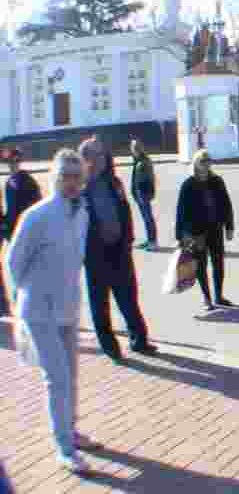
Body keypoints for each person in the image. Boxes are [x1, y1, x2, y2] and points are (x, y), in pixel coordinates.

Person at [7, 149, 102, 473]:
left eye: (78, 177)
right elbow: (13, 263)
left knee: (71, 375)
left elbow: (74, 262)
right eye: (67, 177)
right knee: (57, 378)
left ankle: (71, 431)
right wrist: (22, 303)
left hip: (67, 307)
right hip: (38, 310)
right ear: (55, 178)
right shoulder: (38, 215)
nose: (73, 184)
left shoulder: (83, 213)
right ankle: (64, 448)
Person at [79, 137, 157, 361]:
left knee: (128, 298)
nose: (100, 159)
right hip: (96, 256)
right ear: (85, 159)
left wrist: (128, 240)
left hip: (119, 251)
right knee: (100, 304)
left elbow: (125, 212)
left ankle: (139, 340)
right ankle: (110, 348)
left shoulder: (114, 182)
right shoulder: (80, 189)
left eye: (102, 155)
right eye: (95, 155)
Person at [175, 149, 235, 311]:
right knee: (201, 265)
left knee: (218, 263)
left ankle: (219, 296)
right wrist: (180, 236)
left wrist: (229, 226)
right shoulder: (188, 184)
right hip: (197, 232)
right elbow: (181, 211)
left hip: (215, 228)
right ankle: (207, 298)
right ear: (195, 163)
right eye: (202, 160)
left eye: (208, 160)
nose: (206, 163)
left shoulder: (217, 181)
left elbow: (226, 205)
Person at [0, 146, 41, 317]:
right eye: (9, 163)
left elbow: (33, 207)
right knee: (21, 271)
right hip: (19, 234)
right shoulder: (12, 183)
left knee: (25, 273)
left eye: (14, 162)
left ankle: (24, 308)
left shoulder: (24, 182)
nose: (12, 165)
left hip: (26, 233)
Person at [129, 139, 158, 251]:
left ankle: (153, 242)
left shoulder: (144, 161)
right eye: (133, 147)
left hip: (143, 194)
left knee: (148, 218)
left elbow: (149, 179)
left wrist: (147, 193)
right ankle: (149, 240)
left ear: (140, 148)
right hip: (139, 195)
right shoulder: (137, 160)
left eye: (136, 147)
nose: (134, 149)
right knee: (146, 218)